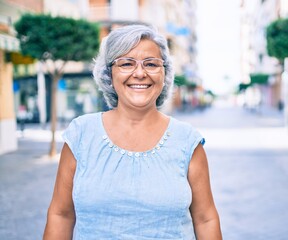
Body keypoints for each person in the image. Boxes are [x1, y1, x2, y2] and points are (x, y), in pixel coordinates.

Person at [43, 24, 222, 240]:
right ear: (109, 73)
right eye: (126, 63)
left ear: (164, 73)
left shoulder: (187, 141)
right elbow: (61, 215)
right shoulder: (80, 135)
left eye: (151, 64)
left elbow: (205, 218)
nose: (139, 73)